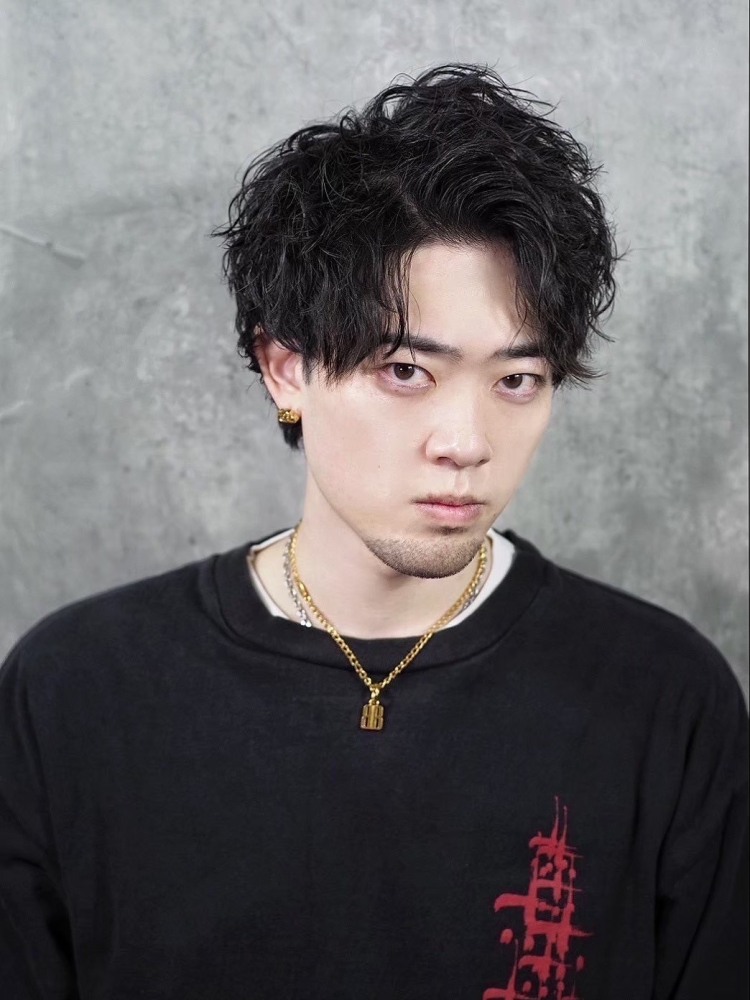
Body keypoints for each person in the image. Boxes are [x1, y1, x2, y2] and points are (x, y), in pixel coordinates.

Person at [0, 63, 747, 1000]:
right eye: (405, 371)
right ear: (286, 368)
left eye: (517, 379)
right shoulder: (76, 689)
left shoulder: (664, 699)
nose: (466, 442)